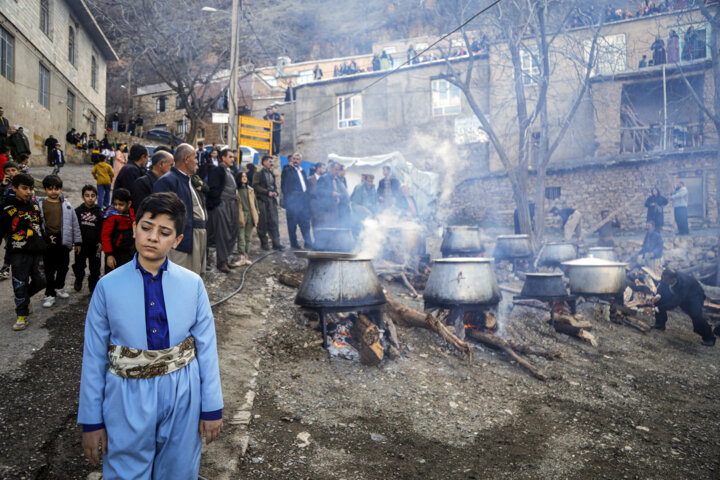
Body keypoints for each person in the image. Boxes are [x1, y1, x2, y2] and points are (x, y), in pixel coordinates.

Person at [78, 192, 223, 478]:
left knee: (179, 469)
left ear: (177, 240)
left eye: (164, 232)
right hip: (126, 395)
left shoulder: (193, 285)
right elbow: (94, 356)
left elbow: (207, 348)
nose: (153, 237)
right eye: (146, 227)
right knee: (126, 469)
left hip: (184, 391)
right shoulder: (107, 287)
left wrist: (212, 407)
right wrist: (91, 421)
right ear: (134, 228)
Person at [0, 173, 46, 330]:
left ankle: (25, 299)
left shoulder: (34, 206)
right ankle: (22, 315)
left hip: (37, 250)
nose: (28, 192)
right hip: (18, 252)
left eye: (31, 189)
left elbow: (39, 226)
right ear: (14, 188)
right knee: (20, 283)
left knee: (42, 281)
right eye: (24, 188)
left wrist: (45, 241)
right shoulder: (8, 209)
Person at [153, 144, 208, 275]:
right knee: (180, 278)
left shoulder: (187, 180)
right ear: (186, 158)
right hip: (182, 241)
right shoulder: (167, 181)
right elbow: (162, 215)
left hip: (194, 237)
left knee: (194, 277)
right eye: (195, 158)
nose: (197, 161)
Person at [37, 175, 81, 308]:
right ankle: (50, 294)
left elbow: (74, 224)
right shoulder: (40, 205)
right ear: (45, 190)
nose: (53, 192)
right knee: (49, 269)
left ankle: (60, 287)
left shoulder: (67, 206)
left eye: (56, 189)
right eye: (50, 189)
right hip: (47, 241)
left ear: (60, 189)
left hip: (63, 240)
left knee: (63, 267)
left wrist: (77, 242)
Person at [650, 268, 715, 346]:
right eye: (663, 278)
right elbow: (662, 285)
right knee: (659, 301)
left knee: (696, 316)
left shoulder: (684, 284)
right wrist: (658, 295)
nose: (664, 280)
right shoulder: (666, 276)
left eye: (666, 280)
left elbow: (674, 303)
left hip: (694, 297)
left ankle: (709, 338)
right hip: (677, 294)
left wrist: (655, 309)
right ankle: (660, 324)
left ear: (674, 279)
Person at [206, 149, 241, 273]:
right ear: (223, 158)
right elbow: (213, 189)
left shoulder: (230, 171)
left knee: (232, 231)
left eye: (233, 157)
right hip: (222, 205)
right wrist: (218, 204)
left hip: (232, 205)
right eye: (230, 157)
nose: (233, 159)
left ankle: (226, 259)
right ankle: (221, 262)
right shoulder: (218, 170)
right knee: (223, 234)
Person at [73, 185, 103, 293]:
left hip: (95, 247)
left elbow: (102, 229)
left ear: (96, 198)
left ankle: (93, 284)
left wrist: (100, 242)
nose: (90, 198)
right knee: (79, 266)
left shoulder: (100, 213)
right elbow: (75, 228)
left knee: (95, 268)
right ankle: (79, 279)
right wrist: (76, 243)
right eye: (87, 195)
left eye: (92, 196)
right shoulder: (77, 211)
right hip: (81, 245)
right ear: (82, 197)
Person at [281, 152, 312, 249]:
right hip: (293, 201)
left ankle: (308, 243)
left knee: (305, 223)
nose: (295, 160)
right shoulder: (288, 170)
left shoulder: (302, 171)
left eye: (298, 159)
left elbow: (305, 185)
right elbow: (284, 185)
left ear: (301, 161)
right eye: (294, 158)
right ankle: (294, 245)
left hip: (303, 201)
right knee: (292, 224)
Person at [252, 155, 284, 250]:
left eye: (272, 161)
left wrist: (275, 192)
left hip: (271, 201)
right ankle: (264, 243)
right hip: (262, 201)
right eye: (270, 161)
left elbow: (274, 186)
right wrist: (267, 192)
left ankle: (276, 243)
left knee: (274, 221)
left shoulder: (271, 173)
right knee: (263, 222)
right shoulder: (258, 173)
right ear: (264, 162)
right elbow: (255, 186)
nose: (271, 163)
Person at [101, 188, 135, 273]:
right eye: (115, 204)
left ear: (129, 203)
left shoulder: (132, 214)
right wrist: (109, 255)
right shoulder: (111, 216)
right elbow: (105, 236)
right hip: (114, 254)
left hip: (129, 253)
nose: (117, 207)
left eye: (121, 204)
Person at [316, 161, 350, 228]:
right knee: (327, 228)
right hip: (326, 209)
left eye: (338, 170)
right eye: (336, 169)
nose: (337, 171)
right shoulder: (323, 178)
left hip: (336, 209)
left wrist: (339, 195)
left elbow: (342, 192)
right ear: (331, 168)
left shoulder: (337, 180)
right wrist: (331, 193)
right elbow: (319, 191)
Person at [236, 168, 258, 266]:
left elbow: (255, 203)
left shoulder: (250, 190)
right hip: (241, 214)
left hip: (250, 214)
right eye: (242, 176)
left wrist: (257, 213)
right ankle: (241, 257)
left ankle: (246, 257)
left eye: (245, 176)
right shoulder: (236, 191)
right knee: (241, 237)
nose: (244, 178)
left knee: (248, 237)